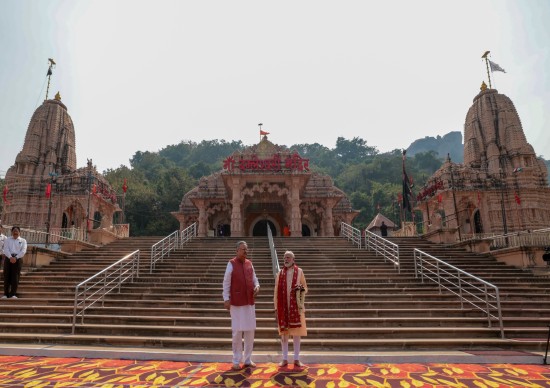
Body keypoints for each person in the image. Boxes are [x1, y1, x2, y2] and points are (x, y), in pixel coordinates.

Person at [222, 241, 260, 370]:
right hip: (236, 302)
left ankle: (248, 359)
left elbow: (255, 278)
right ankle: (236, 360)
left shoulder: (249, 264)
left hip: (249, 301)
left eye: (246, 249)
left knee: (250, 331)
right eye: (243, 249)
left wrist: (257, 286)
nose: (245, 251)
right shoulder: (231, 264)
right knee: (237, 331)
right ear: (237, 250)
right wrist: (226, 298)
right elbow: (226, 282)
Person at [274, 250, 308, 368]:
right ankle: (284, 359)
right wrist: (275, 307)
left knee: (296, 334)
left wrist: (300, 290)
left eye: (288, 257)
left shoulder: (299, 272)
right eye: (285, 257)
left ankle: (296, 358)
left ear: (293, 259)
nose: (286, 259)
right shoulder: (280, 273)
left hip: (296, 308)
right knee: (284, 335)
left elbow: (305, 287)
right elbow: (276, 292)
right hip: (283, 307)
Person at [2, 226, 27, 299]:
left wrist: (16, 257)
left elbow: (23, 251)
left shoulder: (23, 240)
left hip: (18, 259)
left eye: (17, 231)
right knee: (6, 275)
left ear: (19, 232)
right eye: (14, 231)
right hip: (8, 258)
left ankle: (13, 294)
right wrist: (10, 257)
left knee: (15, 276)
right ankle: (5, 294)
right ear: (11, 232)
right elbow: (5, 249)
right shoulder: (7, 240)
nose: (15, 232)